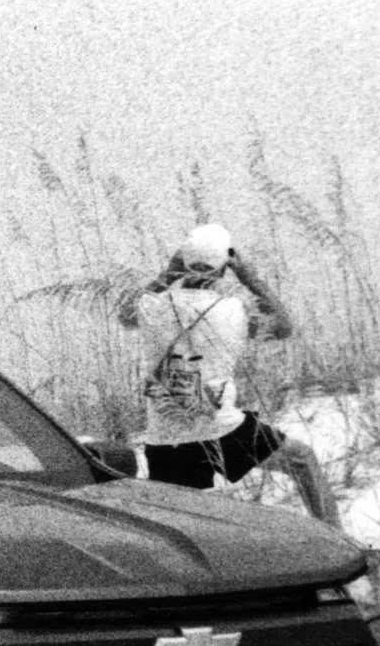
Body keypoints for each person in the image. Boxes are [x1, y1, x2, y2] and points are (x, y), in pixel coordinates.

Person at [114, 222, 337, 525]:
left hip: (166, 437)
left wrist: (168, 274)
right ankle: (340, 541)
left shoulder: (152, 307)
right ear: (224, 269)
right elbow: (283, 326)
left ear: (182, 261)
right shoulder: (232, 310)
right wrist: (250, 278)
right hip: (224, 430)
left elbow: (124, 315)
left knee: (182, 524)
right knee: (302, 460)